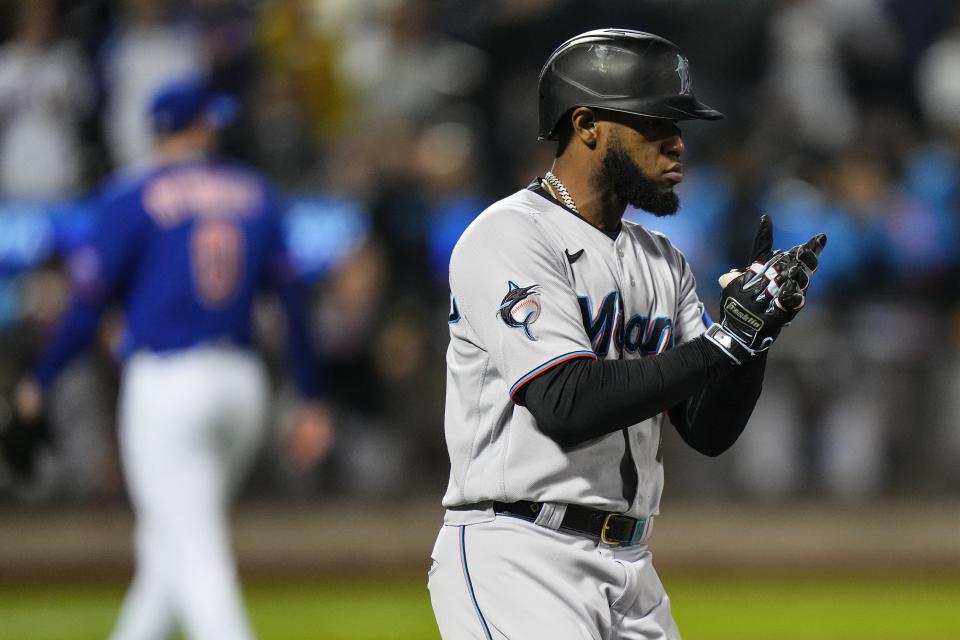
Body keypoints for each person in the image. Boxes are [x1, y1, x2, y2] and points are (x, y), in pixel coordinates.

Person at [427, 29, 826, 639]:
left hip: (631, 567)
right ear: (587, 124)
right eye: (657, 122)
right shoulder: (510, 235)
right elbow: (566, 401)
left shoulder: (662, 259)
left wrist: (755, 337)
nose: (678, 143)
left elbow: (707, 428)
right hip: (519, 554)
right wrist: (724, 341)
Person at [15, 76, 333, 640]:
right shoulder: (254, 192)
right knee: (169, 548)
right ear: (198, 126)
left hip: (167, 386)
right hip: (241, 387)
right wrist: (309, 396)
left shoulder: (129, 196)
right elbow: (292, 304)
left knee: (194, 551)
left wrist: (39, 381)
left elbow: (88, 307)